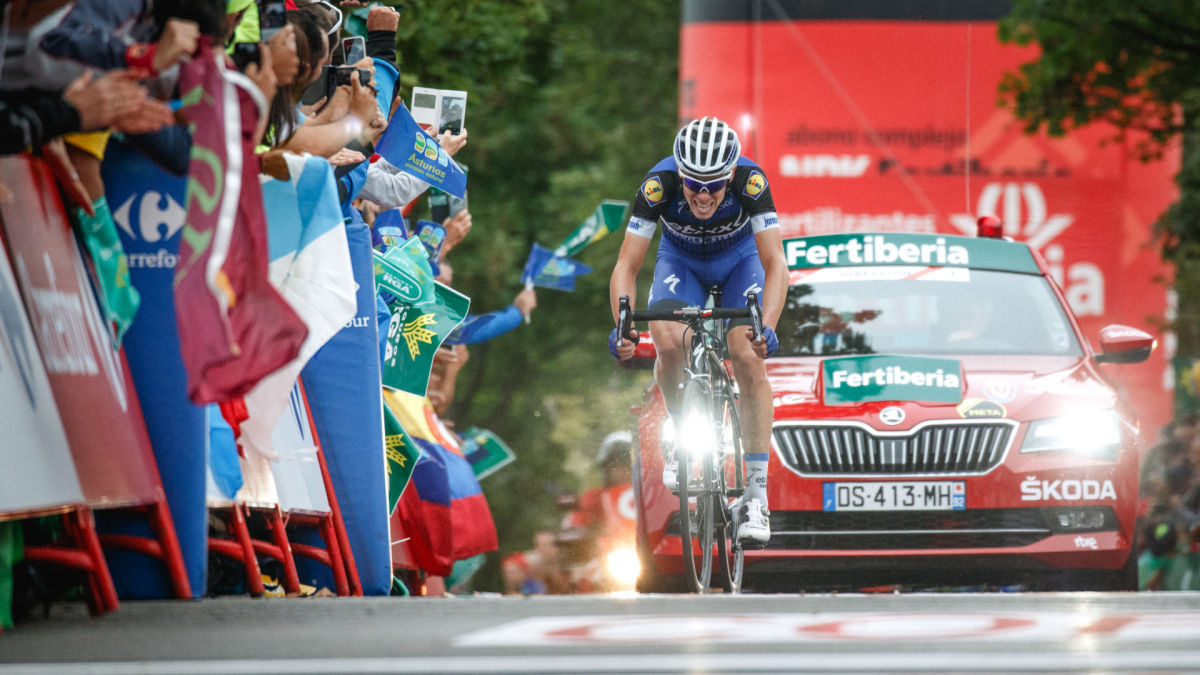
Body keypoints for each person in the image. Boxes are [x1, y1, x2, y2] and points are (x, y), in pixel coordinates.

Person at [608, 116, 787, 547]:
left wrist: (767, 326)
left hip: (739, 262)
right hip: (681, 263)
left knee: (747, 356)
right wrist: (623, 326)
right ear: (680, 175)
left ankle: (755, 496)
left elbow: (775, 264)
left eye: (714, 186)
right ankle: (680, 438)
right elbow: (626, 265)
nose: (703, 195)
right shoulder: (658, 184)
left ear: (731, 175)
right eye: (693, 184)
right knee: (669, 344)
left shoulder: (751, 182)